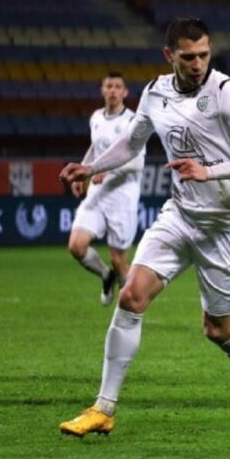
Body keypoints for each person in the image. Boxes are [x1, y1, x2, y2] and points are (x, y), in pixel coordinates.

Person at [58, 17, 230, 437]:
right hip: (180, 214)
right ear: (169, 55)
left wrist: (208, 171)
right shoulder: (155, 92)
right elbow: (132, 142)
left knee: (218, 328)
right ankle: (103, 408)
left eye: (204, 55)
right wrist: (91, 167)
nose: (198, 64)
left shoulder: (226, 92)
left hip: (228, 224)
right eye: (188, 57)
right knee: (131, 295)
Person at [67, 72, 144, 306]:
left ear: (125, 92)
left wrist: (106, 170)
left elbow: (136, 163)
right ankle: (105, 275)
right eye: (109, 86)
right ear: (102, 90)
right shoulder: (96, 117)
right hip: (98, 193)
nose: (112, 90)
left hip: (122, 197)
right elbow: (95, 147)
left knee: (119, 260)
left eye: (117, 86)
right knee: (76, 246)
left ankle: (130, 311)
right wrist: (83, 171)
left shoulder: (133, 122)